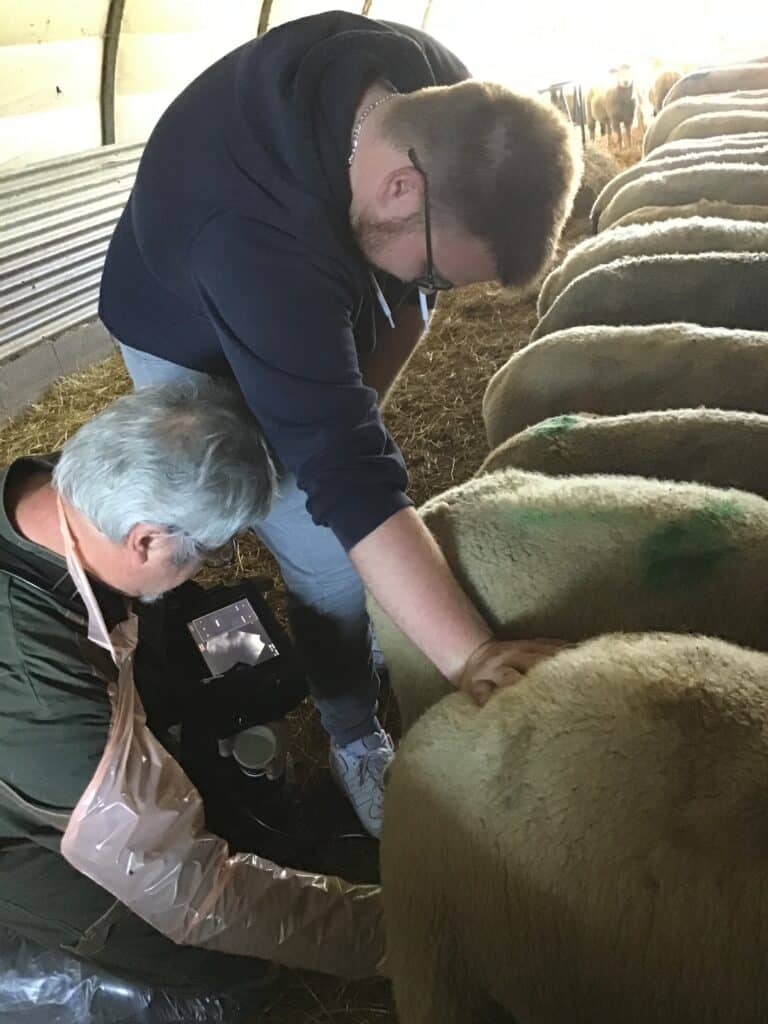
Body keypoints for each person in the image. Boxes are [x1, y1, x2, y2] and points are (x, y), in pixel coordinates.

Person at [99, 11, 580, 838]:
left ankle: (349, 722)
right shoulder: (257, 236)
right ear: (400, 187)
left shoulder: (438, 98)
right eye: (434, 268)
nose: (431, 286)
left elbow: (400, 323)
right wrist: (470, 658)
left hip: (310, 283)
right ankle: (160, 687)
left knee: (320, 518)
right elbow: (350, 474)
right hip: (182, 330)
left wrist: (345, 415)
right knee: (232, 528)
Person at [0, 380, 385, 1006]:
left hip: (48, 735)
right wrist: (395, 933)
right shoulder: (49, 702)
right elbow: (197, 894)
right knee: (228, 964)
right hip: (17, 831)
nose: (212, 561)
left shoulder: (50, 485)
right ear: (146, 538)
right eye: (208, 547)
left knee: (216, 662)